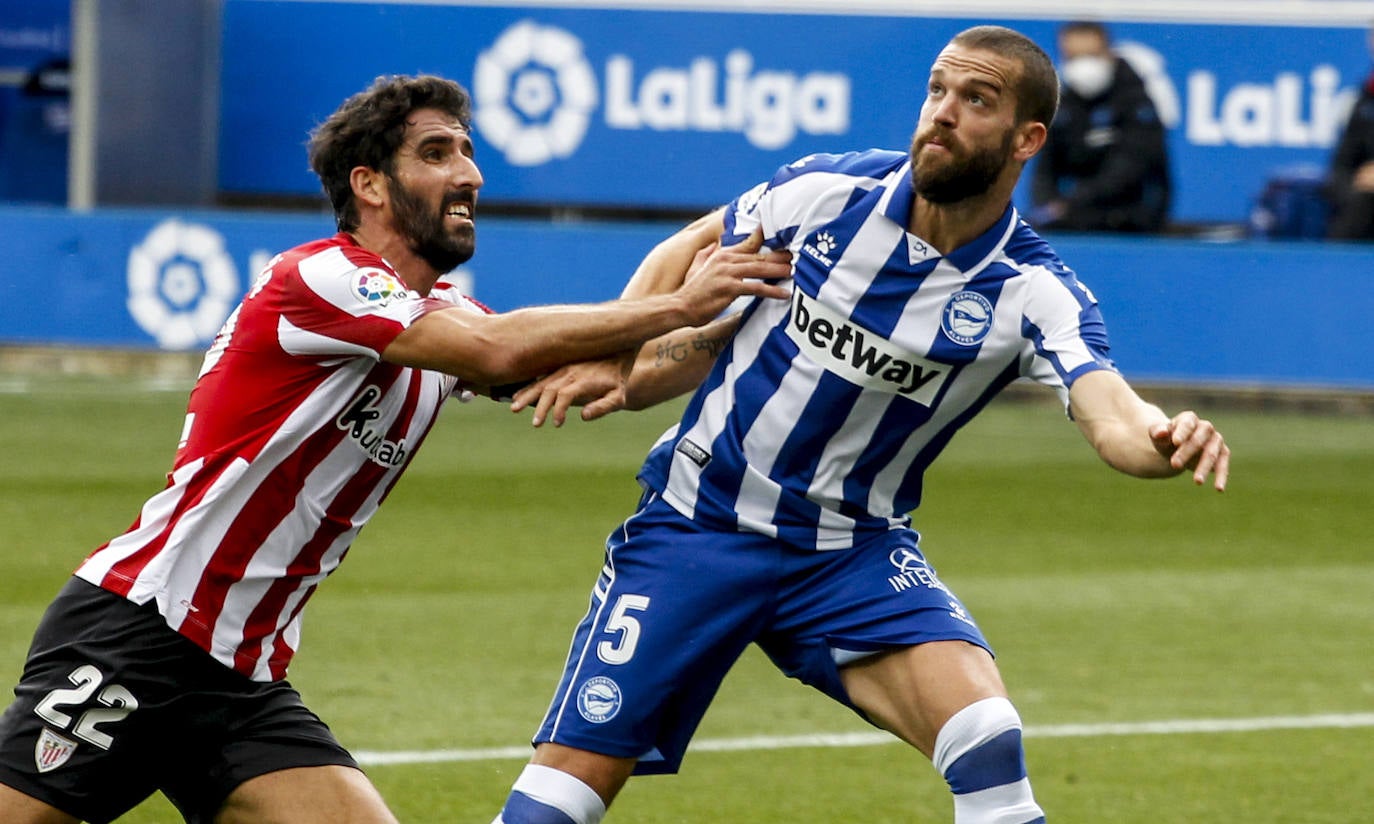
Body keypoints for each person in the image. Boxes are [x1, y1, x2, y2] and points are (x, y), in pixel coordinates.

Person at [0, 74, 790, 824]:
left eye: (468, 152)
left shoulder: (442, 312)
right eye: (439, 153)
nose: (471, 174)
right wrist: (680, 300)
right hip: (141, 633)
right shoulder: (322, 278)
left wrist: (748, 329)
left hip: (241, 677)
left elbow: (609, 374)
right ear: (370, 184)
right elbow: (497, 352)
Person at [492, 25, 1229, 824]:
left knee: (987, 738)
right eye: (937, 91)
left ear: (1028, 140)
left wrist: (1162, 441)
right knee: (559, 803)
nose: (942, 114)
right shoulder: (827, 194)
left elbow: (1109, 409)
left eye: (975, 100)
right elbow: (693, 246)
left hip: (850, 557)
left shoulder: (1032, 290)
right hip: (696, 529)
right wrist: (617, 345)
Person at [1029, 20, 1170, 233]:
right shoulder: (1062, 103)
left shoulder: (1136, 103)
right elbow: (1044, 169)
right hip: (1073, 222)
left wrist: (1069, 204)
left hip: (1131, 224)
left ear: (1109, 53)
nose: (1083, 65)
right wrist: (1047, 206)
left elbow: (1128, 171)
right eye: (1073, 57)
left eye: (1092, 55)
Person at [1325, 23, 1374, 240]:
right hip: (1366, 202)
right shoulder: (1364, 101)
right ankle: (1334, 270)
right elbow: (1340, 166)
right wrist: (1355, 190)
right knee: (1358, 207)